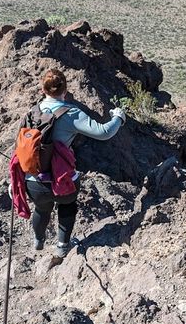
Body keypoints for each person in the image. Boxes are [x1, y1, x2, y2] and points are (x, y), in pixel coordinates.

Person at [25, 69, 125, 258]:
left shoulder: (32, 113)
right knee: (67, 205)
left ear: (42, 90)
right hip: (63, 180)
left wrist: (15, 180)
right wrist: (118, 117)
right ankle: (62, 246)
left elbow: (21, 148)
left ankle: (38, 240)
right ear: (65, 89)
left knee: (41, 208)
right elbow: (104, 133)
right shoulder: (71, 113)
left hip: (34, 182)